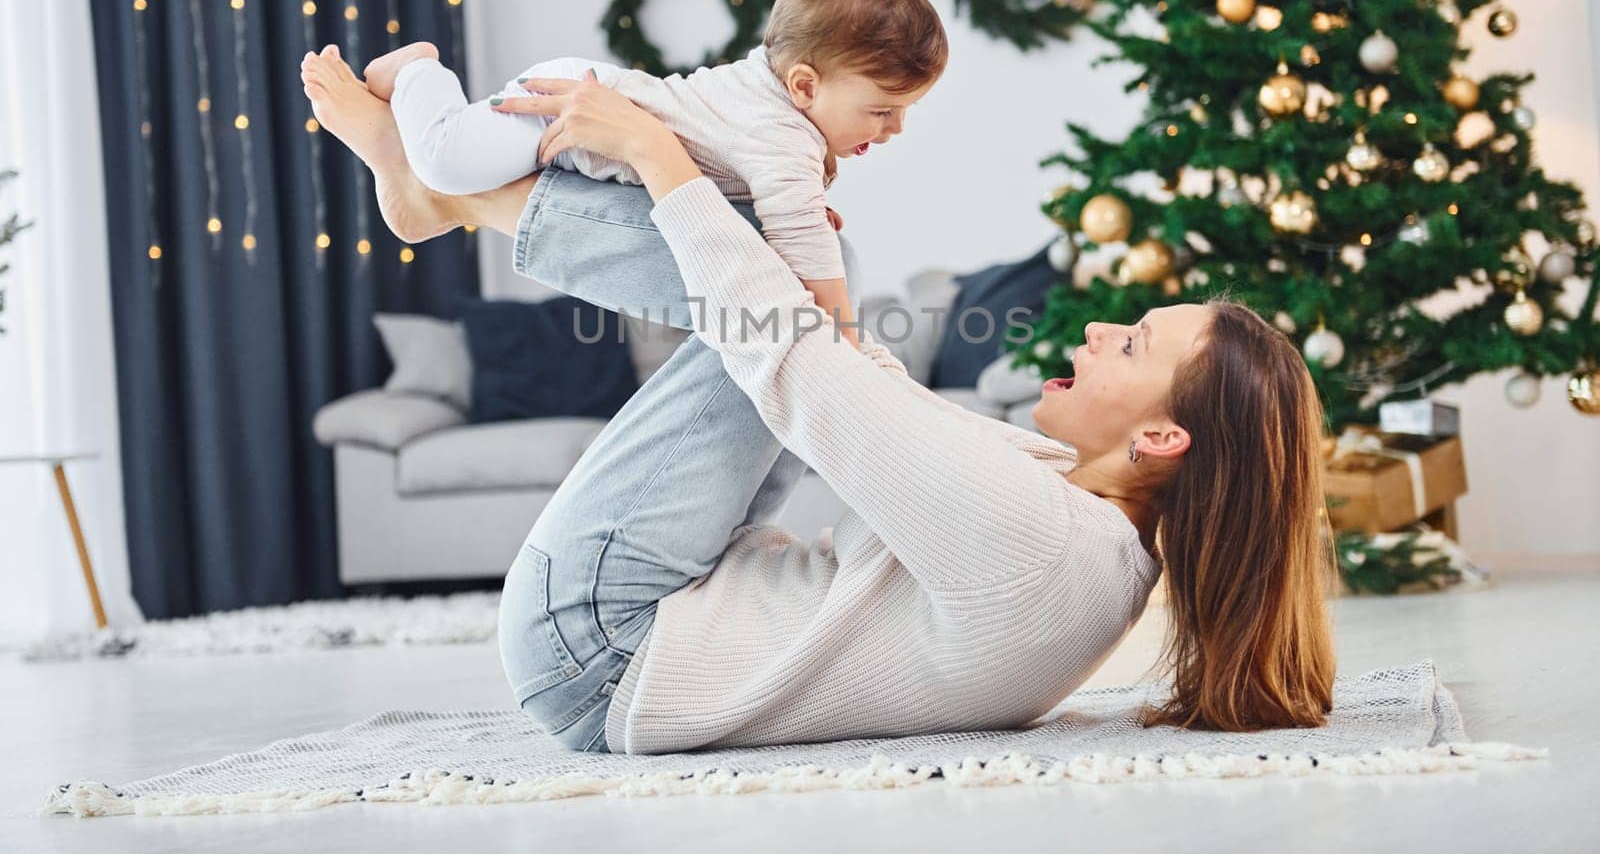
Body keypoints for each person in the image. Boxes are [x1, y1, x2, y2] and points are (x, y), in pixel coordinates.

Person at [300, 57, 1337, 758]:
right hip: (644, 626)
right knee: (787, 278)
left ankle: (446, 191)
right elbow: (855, 382)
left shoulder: (1045, 541)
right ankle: (441, 198)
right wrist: (787, 247)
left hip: (597, 644)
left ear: (1162, 437)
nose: (1101, 330)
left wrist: (662, 158)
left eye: (1135, 342)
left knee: (775, 305)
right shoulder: (1081, 534)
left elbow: (799, 372)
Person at [311, 0, 947, 346]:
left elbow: (771, 204)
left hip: (587, 131)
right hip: (562, 114)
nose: (892, 130)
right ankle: (421, 75)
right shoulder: (782, 135)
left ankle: (438, 193)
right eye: (882, 110)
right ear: (805, 85)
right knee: (443, 158)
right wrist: (847, 345)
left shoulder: (774, 98)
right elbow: (805, 245)